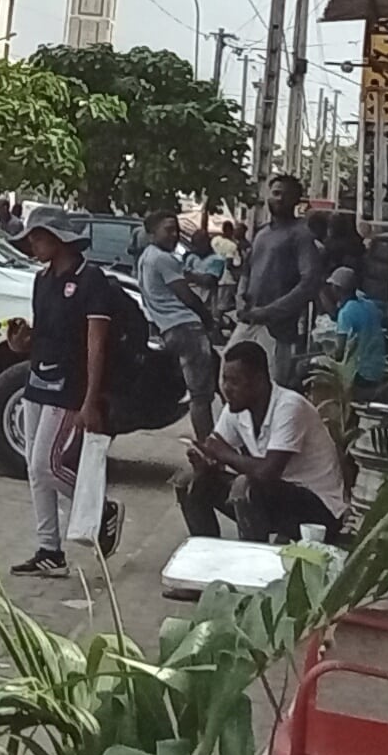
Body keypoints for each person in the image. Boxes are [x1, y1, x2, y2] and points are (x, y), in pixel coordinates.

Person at [10, 217, 135, 577]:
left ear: (59, 240)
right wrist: (22, 342)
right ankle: (49, 549)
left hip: (69, 386)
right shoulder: (42, 279)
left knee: (46, 465)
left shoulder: (90, 280)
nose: (32, 245)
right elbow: (45, 333)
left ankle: (101, 509)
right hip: (38, 379)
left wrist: (90, 400)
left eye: (38, 238)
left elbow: (96, 344)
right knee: (34, 469)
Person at [177, 341, 345, 543]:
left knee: (246, 487)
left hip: (318, 507)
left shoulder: (290, 407)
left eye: (235, 382)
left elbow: (268, 472)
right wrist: (205, 460)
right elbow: (215, 445)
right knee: (189, 481)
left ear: (258, 381)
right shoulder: (236, 408)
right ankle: (205, 552)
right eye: (225, 380)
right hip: (278, 498)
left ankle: (253, 558)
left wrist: (223, 454)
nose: (227, 389)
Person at [132, 210, 218, 437]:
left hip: (168, 329)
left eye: (177, 230)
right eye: (168, 230)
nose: (174, 235)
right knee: (201, 397)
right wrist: (207, 319)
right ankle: (208, 446)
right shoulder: (164, 259)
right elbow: (186, 296)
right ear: (152, 233)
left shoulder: (146, 257)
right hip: (187, 328)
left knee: (199, 388)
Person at [236, 173, 324, 381]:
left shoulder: (301, 235)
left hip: (278, 330)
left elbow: (309, 283)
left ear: (296, 200)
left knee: (271, 387)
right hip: (248, 322)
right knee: (233, 379)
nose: (279, 199)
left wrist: (270, 311)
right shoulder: (261, 233)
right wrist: (240, 298)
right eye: (275, 193)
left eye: (286, 195)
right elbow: (247, 270)